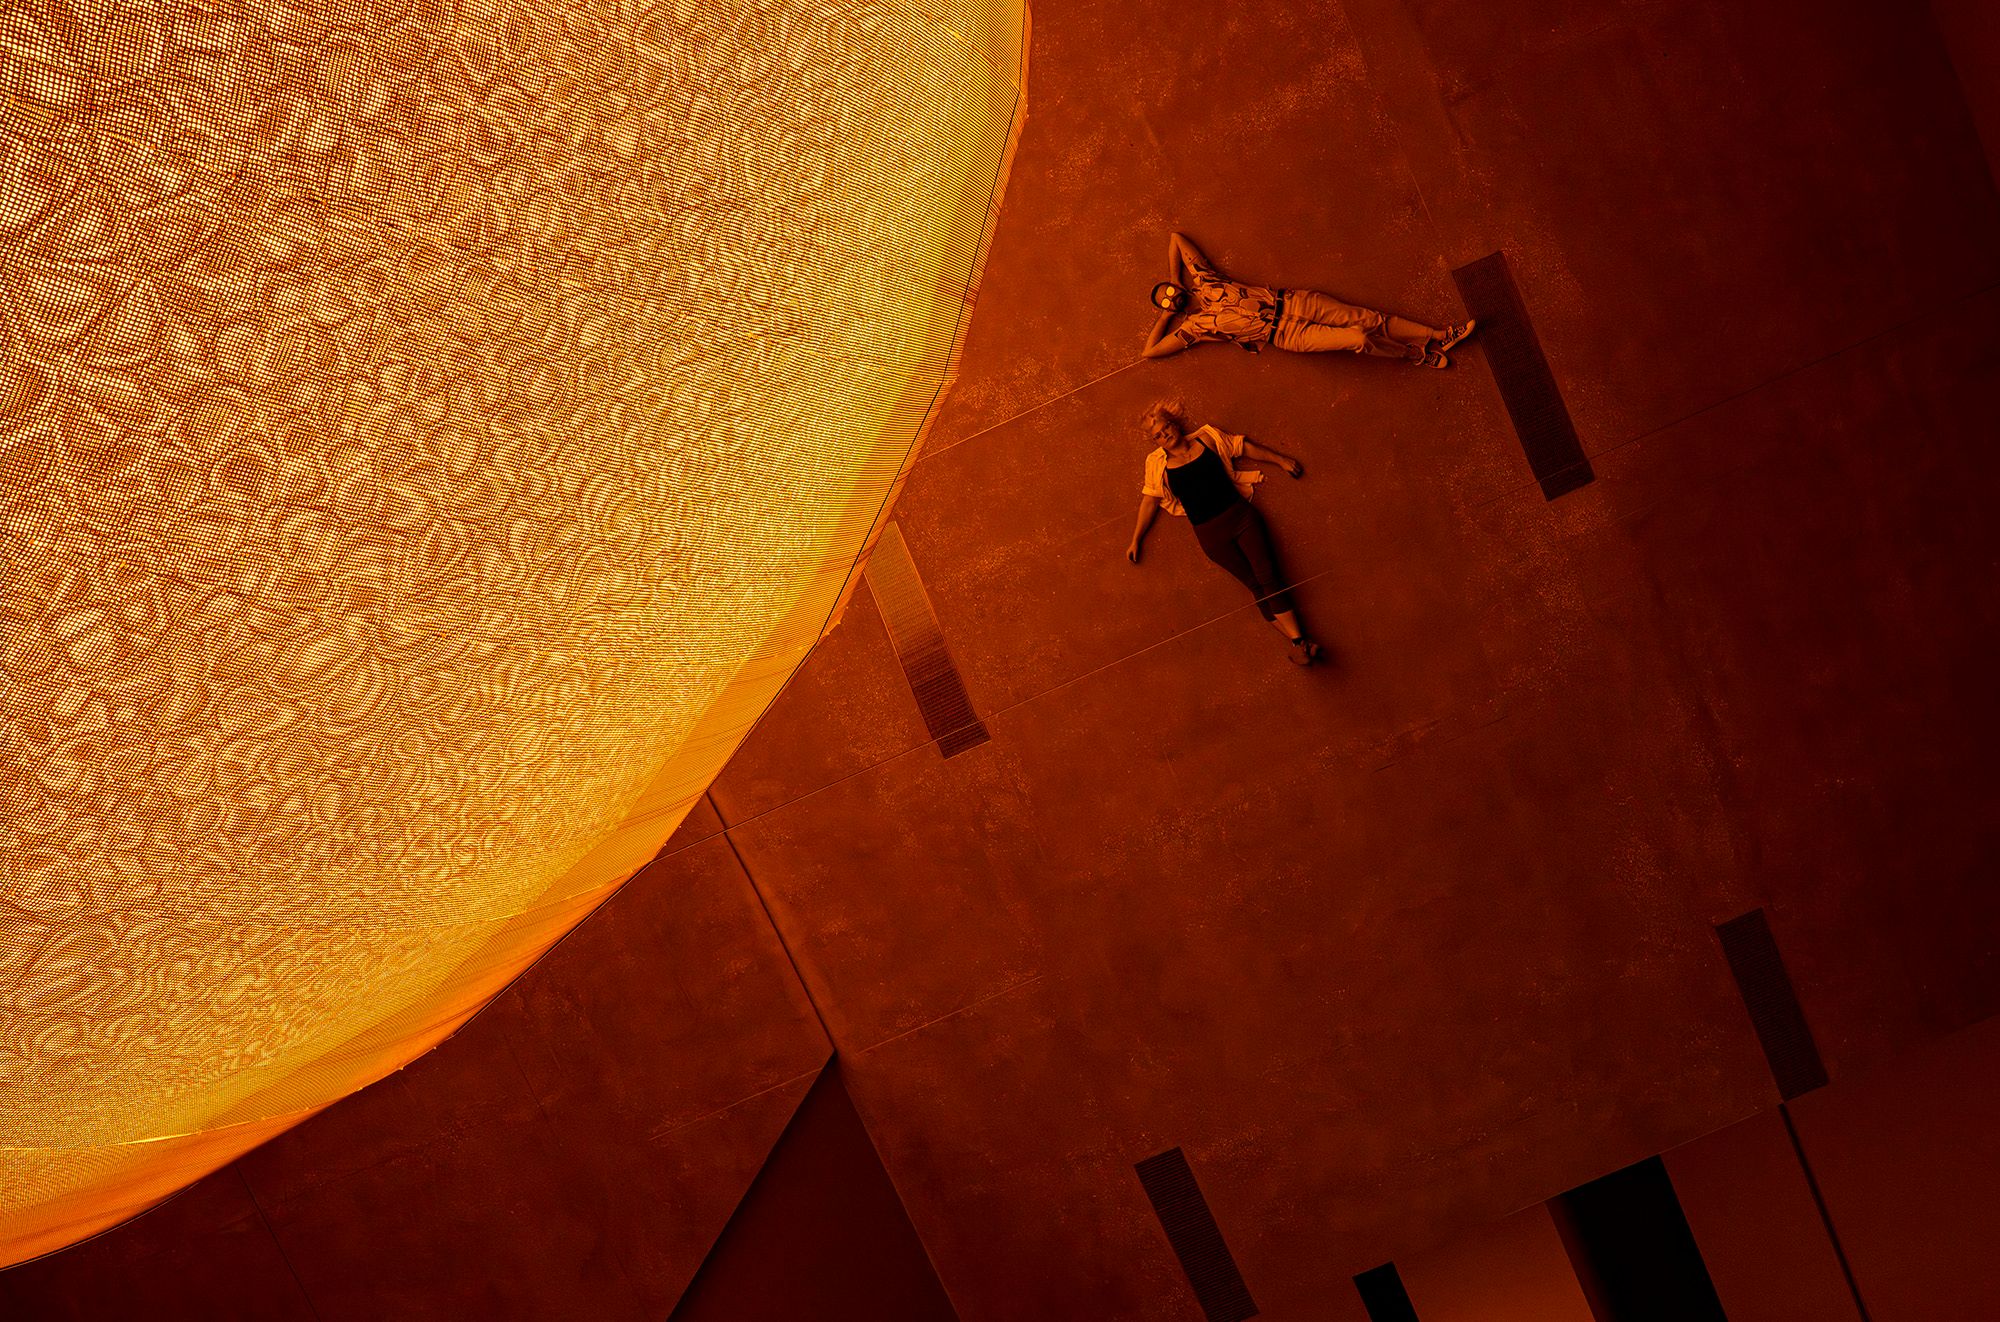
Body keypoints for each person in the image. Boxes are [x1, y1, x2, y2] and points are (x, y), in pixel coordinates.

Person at [1126, 400, 1322, 665]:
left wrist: (1281, 460)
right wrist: (1136, 539)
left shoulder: (1207, 438)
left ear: (1175, 424)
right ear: (1155, 442)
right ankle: (1302, 644)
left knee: (1268, 576)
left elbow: (1244, 446)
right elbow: (1150, 501)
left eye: (1166, 427)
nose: (1165, 435)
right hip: (1210, 535)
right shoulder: (1157, 465)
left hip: (1241, 518)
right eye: (1158, 435)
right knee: (1255, 585)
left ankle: (1300, 643)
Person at [1140, 232, 1475, 367]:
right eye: (1166, 301)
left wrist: (1175, 278)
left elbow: (1176, 238)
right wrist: (1166, 317)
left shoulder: (1205, 280)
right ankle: (1414, 354)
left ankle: (1440, 334)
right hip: (1287, 335)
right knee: (1358, 339)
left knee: (1371, 319)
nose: (1173, 297)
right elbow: (1150, 352)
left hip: (1295, 302)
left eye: (1169, 291)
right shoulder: (1194, 327)